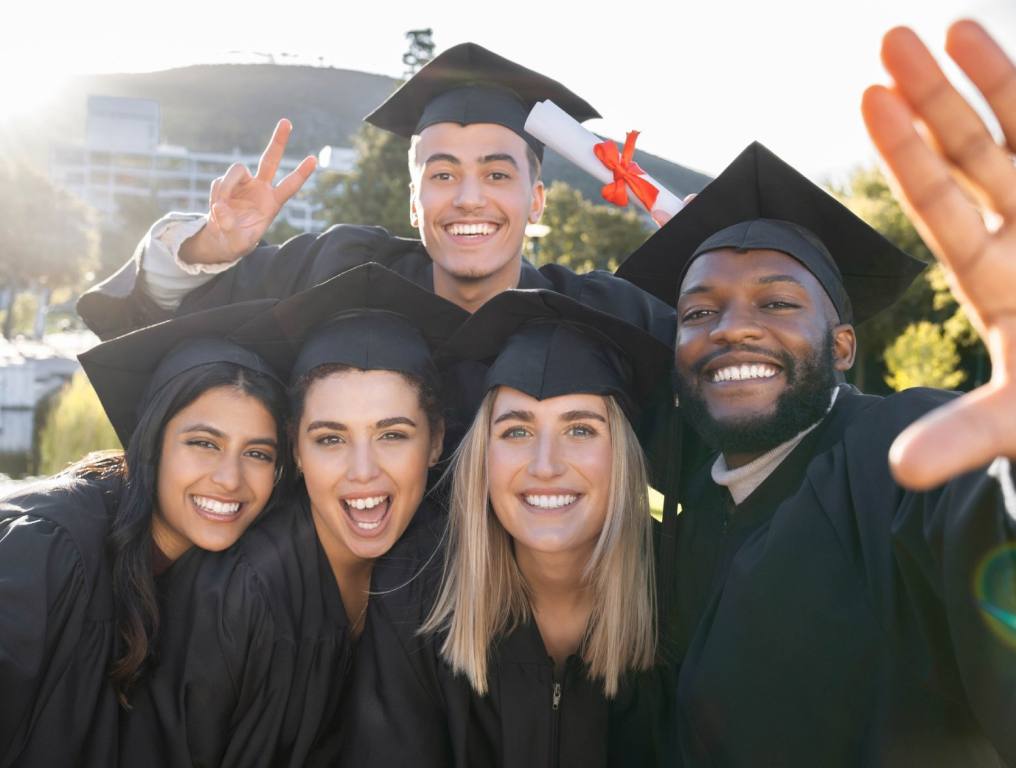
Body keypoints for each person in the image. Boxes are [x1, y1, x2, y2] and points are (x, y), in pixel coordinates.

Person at [616, 122, 1016, 762]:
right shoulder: (695, 505)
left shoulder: (899, 456)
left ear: (842, 345)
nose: (731, 329)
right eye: (697, 312)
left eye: (776, 304)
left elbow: (988, 513)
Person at [74, 44, 675, 451]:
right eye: (441, 175)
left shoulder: (598, 314)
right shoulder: (345, 270)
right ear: (414, 204)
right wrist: (213, 244)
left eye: (497, 174)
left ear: (536, 201)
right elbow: (175, 311)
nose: (468, 198)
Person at [116, 263, 466, 766]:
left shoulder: (442, 563)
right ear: (295, 451)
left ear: (434, 441)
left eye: (392, 435)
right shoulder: (237, 594)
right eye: (330, 439)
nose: (362, 472)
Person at [340, 284, 676, 767]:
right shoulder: (418, 596)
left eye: (580, 429)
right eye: (516, 431)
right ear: (483, 456)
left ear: (622, 453)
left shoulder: (680, 589)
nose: (544, 465)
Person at [0, 300, 288, 768]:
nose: (230, 479)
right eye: (203, 444)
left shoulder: (228, 581)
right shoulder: (50, 547)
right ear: (151, 442)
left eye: (257, 453)